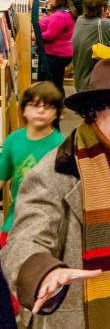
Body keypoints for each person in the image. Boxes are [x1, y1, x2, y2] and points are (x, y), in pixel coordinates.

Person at [0, 57, 110, 329]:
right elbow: (24, 240)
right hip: (77, 317)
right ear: (94, 113)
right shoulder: (57, 171)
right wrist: (43, 273)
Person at [0, 81, 64, 246]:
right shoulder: (13, 140)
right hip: (15, 220)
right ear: (24, 110)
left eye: (48, 106)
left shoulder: (62, 146)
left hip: (48, 225)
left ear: (56, 114)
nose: (41, 110)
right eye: (34, 105)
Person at [72, 0, 110, 91]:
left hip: (79, 80)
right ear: (102, 8)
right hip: (95, 83)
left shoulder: (79, 20)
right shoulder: (104, 24)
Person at [39, 0, 76, 95]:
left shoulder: (60, 15)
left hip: (56, 55)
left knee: (51, 84)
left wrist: (36, 35)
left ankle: (54, 101)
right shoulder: (64, 12)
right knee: (57, 82)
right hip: (61, 54)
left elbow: (50, 35)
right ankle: (58, 101)